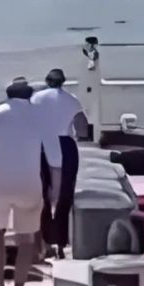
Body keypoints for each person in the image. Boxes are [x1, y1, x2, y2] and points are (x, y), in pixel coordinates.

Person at [0, 77, 62, 286]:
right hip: (29, 185)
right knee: (27, 240)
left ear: (8, 95)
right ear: (29, 96)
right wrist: (54, 191)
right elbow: (55, 160)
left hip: (0, 184)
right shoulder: (41, 117)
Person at [31, 68, 89, 258]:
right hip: (65, 145)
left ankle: (44, 241)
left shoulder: (35, 99)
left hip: (41, 144)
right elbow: (82, 129)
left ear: (47, 81)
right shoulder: (72, 100)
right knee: (65, 195)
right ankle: (61, 242)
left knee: (42, 195)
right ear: (63, 81)